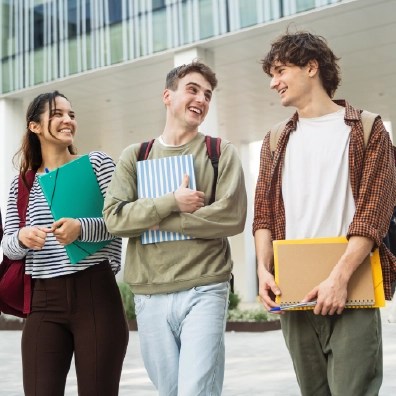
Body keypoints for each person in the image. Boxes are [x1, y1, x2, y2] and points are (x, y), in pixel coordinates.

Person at [253, 31, 396, 395]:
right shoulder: (275, 139)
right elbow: (264, 214)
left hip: (352, 286)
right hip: (295, 291)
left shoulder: (367, 129)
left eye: (281, 71)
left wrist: (339, 278)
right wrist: (262, 270)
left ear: (312, 67)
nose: (274, 83)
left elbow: (373, 214)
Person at [103, 60, 247, 395]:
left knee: (196, 390)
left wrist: (153, 219)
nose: (201, 99)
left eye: (208, 94)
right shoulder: (135, 156)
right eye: (193, 90)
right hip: (150, 294)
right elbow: (114, 218)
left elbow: (232, 216)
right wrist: (171, 202)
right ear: (168, 96)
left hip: (205, 287)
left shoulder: (219, 152)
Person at [1, 91, 129, 396]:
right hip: (43, 301)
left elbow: (122, 221)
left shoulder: (96, 163)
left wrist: (80, 228)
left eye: (71, 114)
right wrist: (21, 238)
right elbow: (7, 245)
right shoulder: (22, 184)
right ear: (34, 126)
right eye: (57, 114)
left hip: (96, 294)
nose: (67, 120)